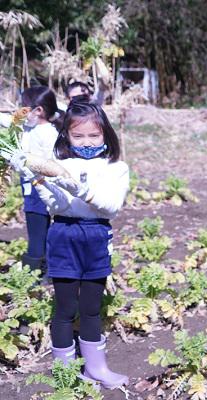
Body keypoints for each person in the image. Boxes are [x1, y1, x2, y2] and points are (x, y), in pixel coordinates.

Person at [10, 100, 129, 389]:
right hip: (63, 235)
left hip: (96, 237)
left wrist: (82, 191)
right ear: (66, 136)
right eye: (78, 136)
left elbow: (112, 207)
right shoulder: (59, 164)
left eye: (93, 135)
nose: (86, 142)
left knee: (90, 308)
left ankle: (96, 369)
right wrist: (38, 182)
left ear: (105, 135)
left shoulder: (116, 168)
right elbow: (57, 207)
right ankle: (64, 372)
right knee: (64, 308)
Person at [16, 86, 62, 276]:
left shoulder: (47, 134)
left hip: (40, 188)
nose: (20, 111)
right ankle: (44, 273)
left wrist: (19, 162)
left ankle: (35, 277)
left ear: (39, 110)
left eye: (24, 107)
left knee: (37, 233)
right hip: (33, 187)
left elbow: (49, 165)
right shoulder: (32, 128)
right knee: (39, 231)